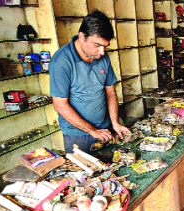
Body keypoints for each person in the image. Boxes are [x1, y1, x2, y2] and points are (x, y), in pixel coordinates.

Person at [49, 10, 131, 153]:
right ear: (82, 37)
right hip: (78, 135)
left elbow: (110, 93)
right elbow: (60, 105)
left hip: (106, 129)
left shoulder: (102, 57)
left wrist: (115, 123)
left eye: (105, 46)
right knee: (84, 174)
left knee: (112, 171)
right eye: (97, 45)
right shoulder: (61, 62)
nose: (102, 52)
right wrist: (92, 130)